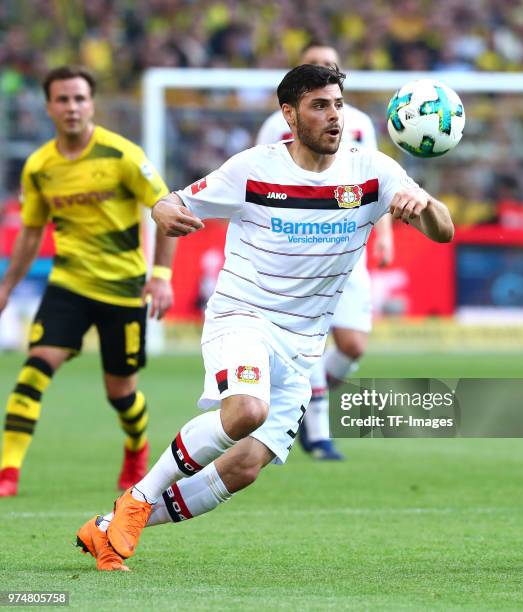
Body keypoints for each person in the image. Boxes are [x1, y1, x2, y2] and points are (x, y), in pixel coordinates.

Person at [76, 64, 453, 571]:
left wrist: (423, 203)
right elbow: (172, 202)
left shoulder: (375, 171)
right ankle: (139, 496)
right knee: (245, 411)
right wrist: (163, 211)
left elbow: (444, 229)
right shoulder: (254, 168)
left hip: (303, 344)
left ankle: (110, 525)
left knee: (246, 465)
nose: (334, 116)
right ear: (289, 115)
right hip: (244, 315)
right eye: (320, 106)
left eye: (338, 104)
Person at [0, 66, 176, 497]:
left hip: (123, 290)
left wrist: (161, 276)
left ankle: (136, 445)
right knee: (34, 371)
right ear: (49, 107)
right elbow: (30, 233)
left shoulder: (122, 155)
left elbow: (169, 208)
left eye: (80, 98)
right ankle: (7, 471)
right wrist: (6, 287)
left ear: (91, 104)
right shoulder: (40, 167)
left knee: (121, 395)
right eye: (63, 99)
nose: (72, 107)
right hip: (69, 287)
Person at [256, 42, 394, 460]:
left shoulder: (359, 123)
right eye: (314, 65)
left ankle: (302, 399)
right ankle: (317, 431)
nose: (323, 70)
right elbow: (258, 181)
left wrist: (384, 233)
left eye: (329, 65)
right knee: (308, 341)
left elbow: (377, 179)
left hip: (346, 251)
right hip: (296, 252)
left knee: (352, 346)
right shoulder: (273, 126)